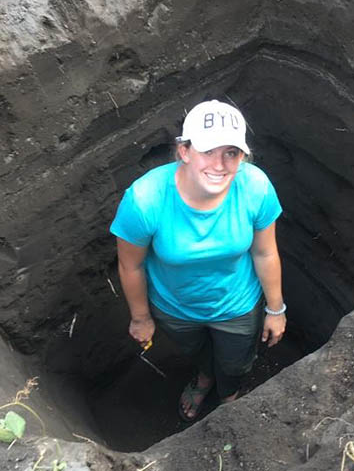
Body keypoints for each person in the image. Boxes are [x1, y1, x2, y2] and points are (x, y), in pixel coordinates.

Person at [110, 100, 287, 422]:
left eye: (231, 153)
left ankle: (229, 396)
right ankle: (205, 378)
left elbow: (265, 252)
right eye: (208, 151)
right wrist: (140, 318)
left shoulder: (255, 187)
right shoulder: (145, 200)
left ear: (243, 157)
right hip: (174, 308)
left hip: (237, 305)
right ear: (184, 151)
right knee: (196, 353)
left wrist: (276, 309)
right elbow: (130, 265)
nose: (220, 165)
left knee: (235, 363)